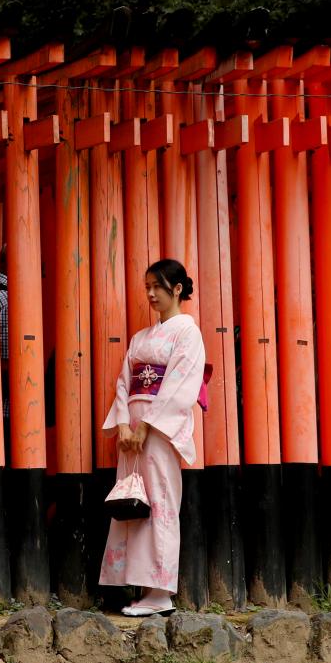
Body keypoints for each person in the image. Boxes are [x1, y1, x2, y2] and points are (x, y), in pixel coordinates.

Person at [100, 259, 206, 617]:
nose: (150, 293)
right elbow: (124, 382)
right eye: (147, 286)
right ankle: (135, 584)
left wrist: (146, 426)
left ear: (177, 289)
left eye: (157, 286)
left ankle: (160, 592)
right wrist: (124, 426)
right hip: (132, 433)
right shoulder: (140, 338)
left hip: (159, 432)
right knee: (132, 501)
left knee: (159, 502)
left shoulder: (187, 333)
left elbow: (179, 385)